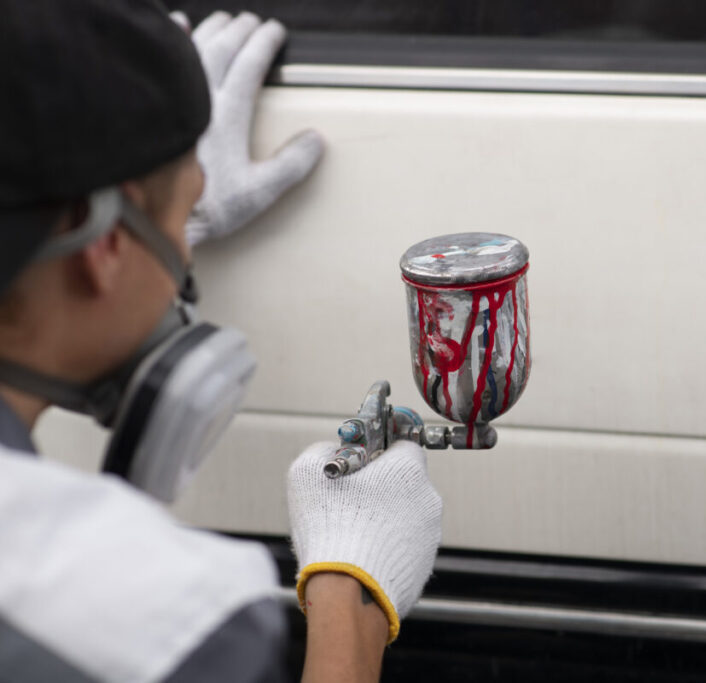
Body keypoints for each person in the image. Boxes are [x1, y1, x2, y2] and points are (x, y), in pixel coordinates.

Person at [0, 2, 442, 681]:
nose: (183, 255)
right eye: (183, 216)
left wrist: (164, 214)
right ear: (105, 243)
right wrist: (346, 589)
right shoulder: (163, 628)